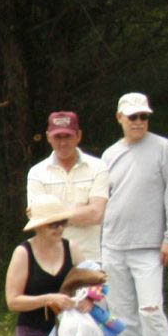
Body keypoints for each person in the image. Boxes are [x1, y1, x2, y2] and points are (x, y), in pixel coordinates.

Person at [101, 92, 168, 336]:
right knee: (121, 311)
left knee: (150, 308)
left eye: (143, 117)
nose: (138, 122)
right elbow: (102, 198)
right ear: (120, 118)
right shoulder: (109, 155)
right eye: (133, 117)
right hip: (113, 244)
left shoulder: (163, 148)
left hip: (150, 245)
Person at [4, 202, 77, 336]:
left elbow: (91, 283)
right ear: (38, 226)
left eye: (63, 222)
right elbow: (13, 301)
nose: (60, 228)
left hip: (66, 331)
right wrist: (48, 299)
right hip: (32, 330)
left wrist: (87, 299)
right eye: (53, 224)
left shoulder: (72, 248)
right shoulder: (23, 252)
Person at [25, 111, 109, 263]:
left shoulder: (98, 167)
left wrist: (53, 215)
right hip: (50, 261)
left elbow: (96, 214)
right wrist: (81, 211)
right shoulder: (36, 173)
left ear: (78, 135)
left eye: (68, 136)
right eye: (58, 137)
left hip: (90, 259)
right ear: (48, 137)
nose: (63, 143)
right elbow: (39, 221)